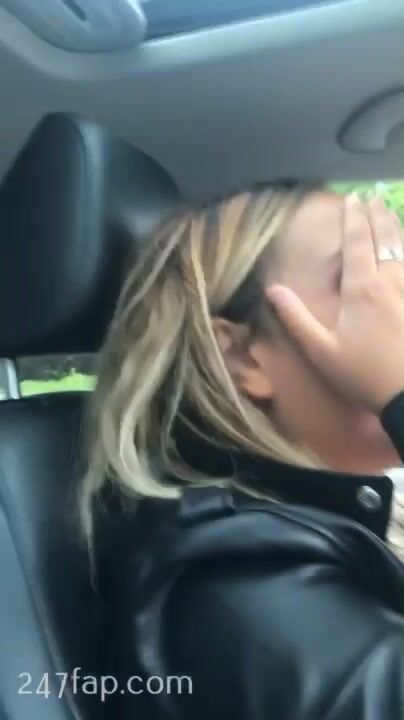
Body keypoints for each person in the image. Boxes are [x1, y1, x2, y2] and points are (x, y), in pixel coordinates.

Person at [82, 184, 404, 719]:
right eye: (361, 281)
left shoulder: (320, 522)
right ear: (242, 358)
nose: (394, 306)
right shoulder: (239, 585)